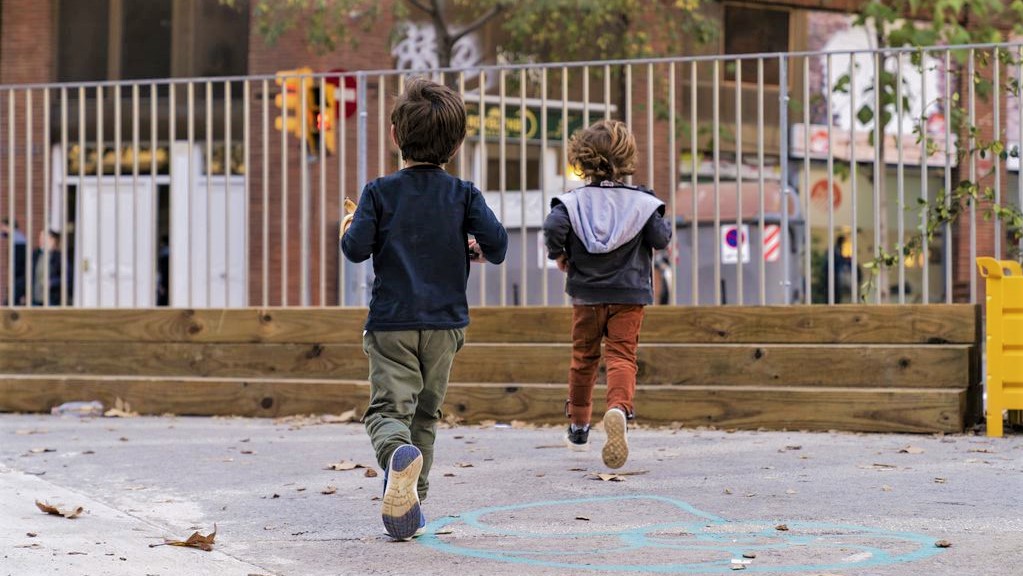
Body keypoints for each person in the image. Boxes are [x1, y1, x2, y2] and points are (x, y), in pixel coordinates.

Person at [340, 77, 507, 541]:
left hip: (392, 322)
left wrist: (349, 222)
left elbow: (355, 251)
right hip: (446, 324)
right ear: (456, 144)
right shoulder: (464, 194)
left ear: (395, 135)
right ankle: (412, 502)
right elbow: (497, 247)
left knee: (386, 411)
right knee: (425, 415)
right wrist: (470, 242)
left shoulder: (378, 193)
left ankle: (396, 455)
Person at [542, 119, 672, 470]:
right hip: (629, 293)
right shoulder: (642, 202)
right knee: (621, 356)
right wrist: (663, 221)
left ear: (582, 159)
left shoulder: (572, 203)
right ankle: (617, 409)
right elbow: (660, 239)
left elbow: (554, 226)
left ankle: (579, 426)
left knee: (584, 358)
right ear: (626, 157)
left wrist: (560, 254)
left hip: (586, 294)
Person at [30, 230, 64, 306]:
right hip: (35, 298)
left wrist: (52, 282)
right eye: (40, 237)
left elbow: (66, 277)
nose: (41, 240)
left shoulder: (58, 257)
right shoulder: (36, 254)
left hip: (51, 299)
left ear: (52, 240)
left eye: (44, 237)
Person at [0, 218, 28, 305]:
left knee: (10, 302)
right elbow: (3, 235)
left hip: (19, 277)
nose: (1, 229)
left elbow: (18, 262)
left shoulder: (18, 241)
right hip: (19, 276)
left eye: (3, 226)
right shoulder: (18, 237)